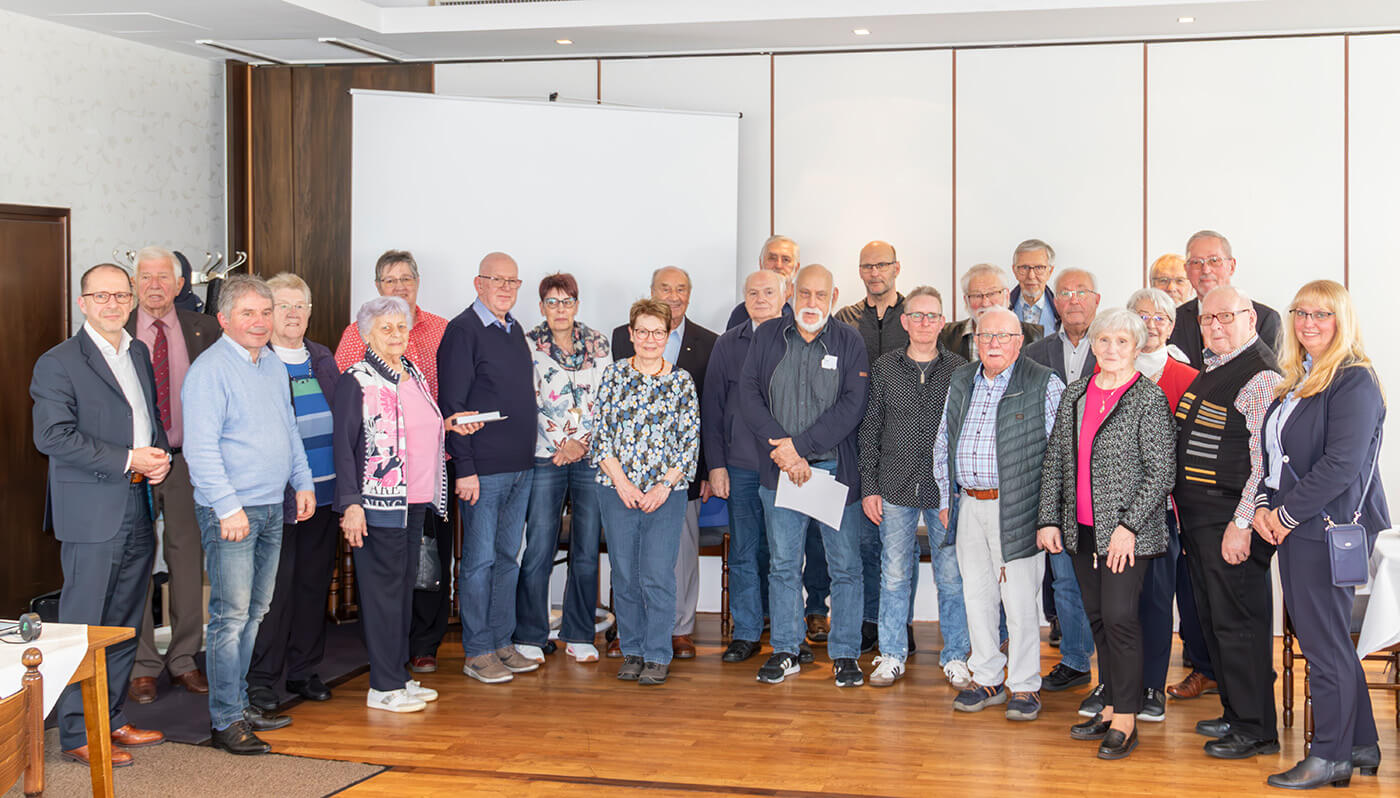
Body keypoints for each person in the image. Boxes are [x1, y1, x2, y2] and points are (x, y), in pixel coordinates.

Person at [32, 263, 171, 768]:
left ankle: (108, 718)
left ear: (132, 300)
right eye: (101, 296)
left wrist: (158, 457)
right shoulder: (59, 362)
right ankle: (76, 733)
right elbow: (52, 436)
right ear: (83, 303)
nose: (113, 304)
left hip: (137, 503)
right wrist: (128, 458)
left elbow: (145, 419)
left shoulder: (136, 351)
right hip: (91, 512)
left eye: (120, 295)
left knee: (124, 623)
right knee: (83, 625)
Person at [1254, 280, 1387, 789]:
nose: (1309, 323)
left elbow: (1340, 465)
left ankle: (1330, 755)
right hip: (1297, 527)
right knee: (1328, 640)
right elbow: (1275, 457)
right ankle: (1361, 743)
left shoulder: (1354, 379)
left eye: (1322, 314)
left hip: (1325, 529)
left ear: (1341, 320)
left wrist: (1284, 516)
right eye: (1301, 313)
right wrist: (1264, 504)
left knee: (1323, 646)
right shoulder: (1299, 377)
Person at [182, 274, 316, 755]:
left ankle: (239, 705)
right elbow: (200, 451)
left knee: (255, 613)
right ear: (223, 319)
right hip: (232, 513)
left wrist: (303, 480)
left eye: (265, 312)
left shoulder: (273, 364)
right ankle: (225, 720)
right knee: (230, 617)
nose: (260, 322)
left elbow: (290, 430)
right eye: (248, 313)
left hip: (271, 506)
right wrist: (228, 507)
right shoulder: (209, 371)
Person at [1037, 308, 1176, 760]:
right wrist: (1048, 518)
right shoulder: (1076, 393)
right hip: (1080, 530)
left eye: (1121, 341)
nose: (1111, 349)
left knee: (1120, 619)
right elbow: (1056, 460)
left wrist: (1128, 527)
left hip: (1126, 536)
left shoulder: (1148, 398)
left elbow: (1161, 473)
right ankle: (1112, 704)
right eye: (1103, 340)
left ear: (1136, 348)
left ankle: (1127, 720)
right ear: (1093, 345)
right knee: (1097, 618)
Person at [741, 265, 871, 688]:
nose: (812, 302)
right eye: (805, 293)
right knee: (782, 566)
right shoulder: (767, 336)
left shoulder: (850, 341)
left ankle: (845, 654)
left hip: (834, 473)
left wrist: (799, 448)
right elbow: (750, 394)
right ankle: (785, 649)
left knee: (845, 567)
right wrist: (785, 451)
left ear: (834, 298)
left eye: (821, 295)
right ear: (792, 294)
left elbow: (852, 405)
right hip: (781, 473)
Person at [335, 296, 464, 713]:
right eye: (385, 328)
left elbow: (417, 428)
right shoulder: (357, 380)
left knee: (403, 593)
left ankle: (399, 675)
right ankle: (383, 685)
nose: (396, 335)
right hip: (378, 505)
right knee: (383, 598)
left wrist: (450, 425)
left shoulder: (412, 372)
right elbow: (343, 448)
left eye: (401, 327)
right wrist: (351, 504)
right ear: (366, 335)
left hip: (416, 501)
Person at [1077, 289, 1201, 723]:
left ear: (1170, 326)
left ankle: (1148, 688)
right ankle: (1113, 691)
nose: (1150, 324)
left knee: (1150, 604)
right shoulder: (1093, 382)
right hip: (1097, 519)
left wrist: (1135, 519)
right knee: (1109, 612)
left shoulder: (1183, 378)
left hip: (1157, 514)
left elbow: (1173, 461)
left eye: (1159, 317)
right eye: (1141, 316)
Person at [934, 307, 1063, 721]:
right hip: (968, 504)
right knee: (977, 597)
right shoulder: (961, 379)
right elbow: (943, 440)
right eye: (985, 336)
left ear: (1019, 341)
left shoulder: (1044, 382)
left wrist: (1048, 514)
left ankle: (1024, 685)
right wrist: (945, 498)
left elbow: (1061, 454)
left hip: (1018, 507)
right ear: (975, 341)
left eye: (1003, 336)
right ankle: (987, 677)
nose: (992, 343)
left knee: (1020, 601)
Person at [1174, 284, 1283, 760]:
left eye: (1226, 317)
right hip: (1203, 522)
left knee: (1240, 625)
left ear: (1250, 319)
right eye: (1207, 319)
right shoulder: (1216, 366)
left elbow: (1264, 464)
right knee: (1217, 622)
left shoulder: (1259, 376)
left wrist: (1241, 524)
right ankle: (1236, 713)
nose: (1215, 326)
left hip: (1230, 521)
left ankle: (1256, 729)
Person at [858, 286, 971, 688]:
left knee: (951, 576)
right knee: (893, 574)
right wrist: (869, 486)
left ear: (942, 322)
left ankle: (956, 655)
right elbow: (870, 430)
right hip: (894, 486)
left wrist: (959, 487)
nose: (924, 323)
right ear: (904, 322)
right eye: (917, 315)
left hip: (944, 491)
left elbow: (967, 431)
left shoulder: (960, 369)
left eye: (932, 316)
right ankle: (891, 654)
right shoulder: (885, 368)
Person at [438, 252, 539, 684]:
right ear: (478, 283)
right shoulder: (463, 331)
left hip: (520, 467)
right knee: (478, 562)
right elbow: (453, 406)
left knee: (506, 559)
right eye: (497, 280)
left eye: (512, 281)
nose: (505, 288)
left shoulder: (513, 330)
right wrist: (465, 467)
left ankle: (502, 643)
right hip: (482, 470)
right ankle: (478, 651)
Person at [125, 246, 220, 704]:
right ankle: (142, 665)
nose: (154, 285)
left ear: (181, 285)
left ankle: (183, 659)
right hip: (133, 466)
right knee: (137, 563)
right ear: (134, 283)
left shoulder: (206, 329)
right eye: (145, 276)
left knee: (186, 560)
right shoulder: (116, 328)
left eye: (164, 276)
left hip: (187, 462)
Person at [245, 273, 341, 712]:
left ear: (310, 312)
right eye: (282, 305)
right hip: (277, 499)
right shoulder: (256, 361)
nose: (292, 313)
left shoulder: (321, 358)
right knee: (274, 591)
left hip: (325, 494)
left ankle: (303, 670)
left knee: (312, 585)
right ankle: (262, 678)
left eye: (299, 305)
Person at [592, 298, 700, 686]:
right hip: (616, 490)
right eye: (642, 331)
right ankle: (633, 650)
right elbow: (600, 436)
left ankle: (656, 654)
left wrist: (662, 486)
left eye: (658, 332)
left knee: (657, 574)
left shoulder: (682, 382)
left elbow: (689, 442)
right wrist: (623, 483)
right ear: (631, 334)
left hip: (665, 495)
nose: (650, 339)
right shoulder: (614, 375)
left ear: (668, 335)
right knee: (625, 574)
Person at [611, 266, 717, 660]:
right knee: (629, 559)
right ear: (652, 292)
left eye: (681, 289)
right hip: (625, 478)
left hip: (678, 475)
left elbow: (710, 413)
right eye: (665, 288)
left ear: (690, 294)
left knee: (679, 554)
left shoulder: (709, 342)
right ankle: (631, 631)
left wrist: (706, 469)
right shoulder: (620, 338)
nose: (673, 295)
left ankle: (679, 629)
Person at [515, 273, 612, 664]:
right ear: (541, 307)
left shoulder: (598, 342)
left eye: (566, 301)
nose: (560, 309)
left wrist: (581, 444)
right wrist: (562, 444)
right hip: (546, 456)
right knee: (539, 544)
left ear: (577, 305)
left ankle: (579, 633)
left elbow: (607, 398)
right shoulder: (527, 344)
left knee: (586, 548)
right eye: (552, 302)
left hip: (589, 456)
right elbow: (528, 400)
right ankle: (529, 634)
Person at [1022, 267, 1100, 695]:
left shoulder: (1112, 345)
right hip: (1051, 481)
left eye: (1081, 292)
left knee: (1109, 581)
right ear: (1055, 302)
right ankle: (1075, 659)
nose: (1073, 300)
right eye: (1065, 293)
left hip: (1104, 482)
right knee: (1065, 578)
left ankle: (1118, 666)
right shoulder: (1035, 352)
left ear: (1096, 300)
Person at [704, 270, 787, 663]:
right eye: (753, 292)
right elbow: (713, 408)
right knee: (743, 551)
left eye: (769, 292)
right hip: (739, 466)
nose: (761, 298)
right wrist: (716, 466)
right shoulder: (727, 343)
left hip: (786, 466)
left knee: (784, 554)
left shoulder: (800, 340)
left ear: (784, 296)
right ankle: (747, 631)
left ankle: (787, 635)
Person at [834, 240, 912, 654]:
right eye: (867, 266)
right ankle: (870, 621)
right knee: (865, 540)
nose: (875, 272)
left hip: (905, 443)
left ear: (897, 267)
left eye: (882, 264)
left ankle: (900, 623)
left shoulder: (915, 315)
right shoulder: (845, 319)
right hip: (856, 442)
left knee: (900, 544)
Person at [1168, 230, 1283, 369]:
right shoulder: (1172, 319)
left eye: (1214, 261)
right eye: (1196, 262)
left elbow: (1271, 373)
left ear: (1232, 266)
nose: (1206, 270)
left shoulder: (1265, 319)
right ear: (1186, 270)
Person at [937, 263, 1043, 361]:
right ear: (966, 300)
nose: (985, 303)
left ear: (1007, 295)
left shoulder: (1034, 336)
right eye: (976, 295)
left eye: (992, 293)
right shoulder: (943, 336)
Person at [726, 235, 799, 329]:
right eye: (772, 258)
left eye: (786, 259)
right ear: (761, 263)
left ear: (796, 268)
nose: (778, 265)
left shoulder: (808, 307)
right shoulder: (742, 313)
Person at [1009, 239, 1059, 334]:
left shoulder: (1063, 311)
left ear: (1050, 271)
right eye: (1024, 267)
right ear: (1015, 271)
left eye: (1039, 268)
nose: (1031, 276)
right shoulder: (1001, 308)